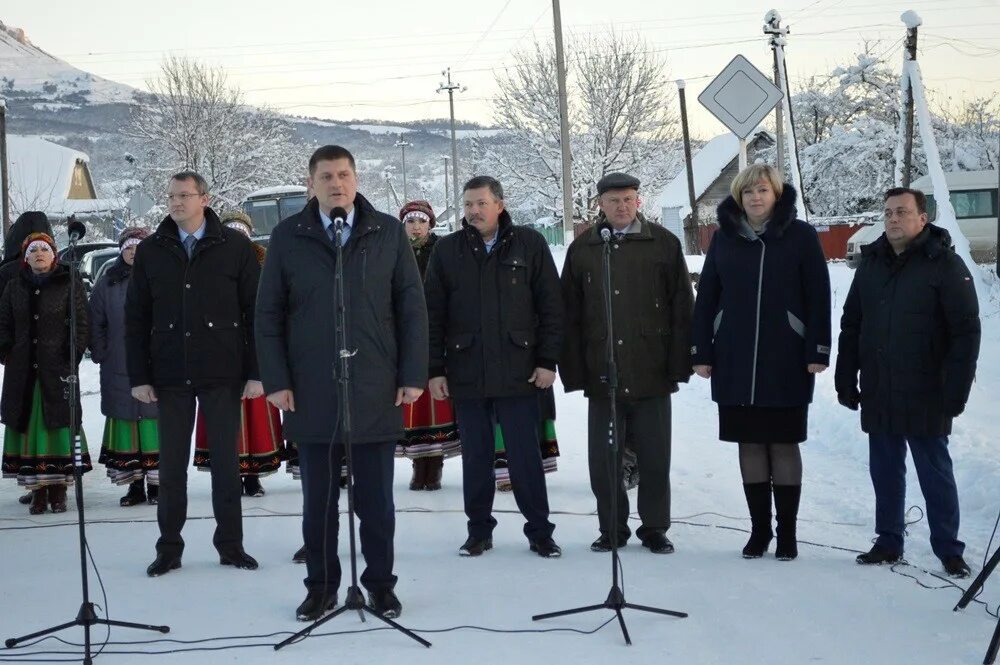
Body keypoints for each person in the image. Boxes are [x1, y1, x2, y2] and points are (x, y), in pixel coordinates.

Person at [255, 145, 428, 622]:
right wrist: (277, 380)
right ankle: (321, 586)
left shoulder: (387, 232)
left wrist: (412, 374)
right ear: (311, 182)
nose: (337, 183)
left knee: (377, 502)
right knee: (318, 504)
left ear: (356, 178)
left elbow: (412, 309)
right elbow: (267, 315)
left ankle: (380, 585)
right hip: (311, 389)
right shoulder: (289, 237)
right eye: (327, 175)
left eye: (345, 174)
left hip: (375, 384)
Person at [835, 186, 980, 579]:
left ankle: (949, 549)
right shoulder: (871, 263)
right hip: (880, 386)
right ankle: (888, 541)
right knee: (885, 470)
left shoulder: (944, 265)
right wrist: (845, 376)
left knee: (935, 471)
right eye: (888, 213)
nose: (894, 220)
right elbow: (852, 324)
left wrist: (956, 390)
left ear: (923, 218)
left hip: (928, 390)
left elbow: (966, 333)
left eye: (902, 212)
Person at [125, 170, 262, 577]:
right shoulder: (152, 249)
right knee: (170, 468)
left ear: (205, 197)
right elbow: (136, 317)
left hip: (222, 370)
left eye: (184, 195)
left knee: (225, 463)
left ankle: (231, 545)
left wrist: (256, 372)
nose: (176, 202)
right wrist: (139, 375)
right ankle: (169, 548)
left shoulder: (235, 247)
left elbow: (254, 313)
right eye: (171, 196)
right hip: (169, 372)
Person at [691, 165, 831, 561]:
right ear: (739, 196)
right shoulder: (725, 238)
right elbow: (708, 297)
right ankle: (759, 531)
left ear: (776, 193)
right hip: (734, 357)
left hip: (786, 355)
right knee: (749, 443)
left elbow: (818, 294)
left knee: (783, 443)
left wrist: (817, 350)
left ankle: (787, 533)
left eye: (763, 190)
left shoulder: (800, 235)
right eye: (748, 191)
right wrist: (701, 350)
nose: (755, 197)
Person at [424, 175, 564, 559]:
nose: (473, 211)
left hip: (520, 371)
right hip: (466, 370)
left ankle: (540, 532)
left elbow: (551, 307)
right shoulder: (447, 251)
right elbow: (432, 314)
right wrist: (435, 369)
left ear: (499, 205)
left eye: (481, 203)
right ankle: (478, 532)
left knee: (525, 458)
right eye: (468, 204)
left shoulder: (529, 244)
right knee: (476, 458)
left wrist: (547, 361)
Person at [561, 172, 694, 555]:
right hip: (603, 369)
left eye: (628, 199)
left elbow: (682, 307)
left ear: (639, 201)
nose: (621, 206)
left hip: (651, 367)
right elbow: (568, 312)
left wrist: (679, 363)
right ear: (600, 204)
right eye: (613, 200)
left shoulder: (663, 243)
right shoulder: (585, 247)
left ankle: (654, 527)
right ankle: (612, 528)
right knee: (605, 459)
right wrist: (574, 368)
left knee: (654, 456)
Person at [193, 210, 283, 497]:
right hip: (221, 348)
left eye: (241, 232)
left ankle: (253, 475)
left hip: (256, 345)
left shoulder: (265, 262)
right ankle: (228, 474)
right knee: (223, 414)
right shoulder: (209, 262)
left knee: (255, 410)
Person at [0, 232, 91, 514]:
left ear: (54, 255)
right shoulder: (14, 287)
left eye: (44, 249)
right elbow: (3, 323)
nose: (39, 253)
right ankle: (38, 491)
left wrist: (72, 354)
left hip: (58, 368)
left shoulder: (69, 282)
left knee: (59, 426)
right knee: (30, 426)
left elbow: (82, 323)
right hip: (23, 370)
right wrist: (7, 351)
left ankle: (59, 489)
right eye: (33, 250)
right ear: (26, 258)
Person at [91, 226, 161, 507]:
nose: (134, 252)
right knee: (127, 422)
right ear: (122, 251)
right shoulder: (107, 282)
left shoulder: (162, 278)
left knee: (154, 423)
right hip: (118, 363)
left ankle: (157, 486)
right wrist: (102, 351)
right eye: (129, 247)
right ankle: (134, 486)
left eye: (140, 247)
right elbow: (96, 321)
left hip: (156, 361)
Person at [396, 200, 460, 491]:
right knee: (413, 400)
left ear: (431, 223)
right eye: (411, 222)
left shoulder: (443, 251)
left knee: (436, 399)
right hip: (405, 334)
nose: (416, 227)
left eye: (421, 221)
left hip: (437, 332)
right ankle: (417, 464)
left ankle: (434, 464)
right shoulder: (397, 252)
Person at [0, 211, 56, 507]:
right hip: (28, 360)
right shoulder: (13, 276)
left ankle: (39, 483)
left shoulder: (6, 271)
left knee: (34, 419)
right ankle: (49, 484)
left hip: (31, 360)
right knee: (41, 420)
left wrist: (5, 349)